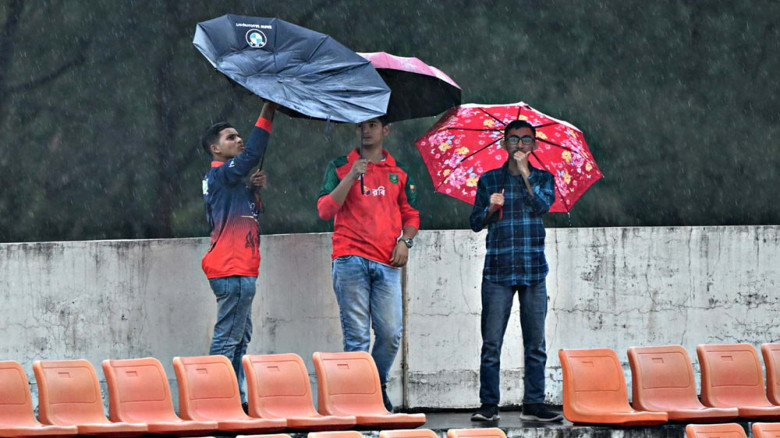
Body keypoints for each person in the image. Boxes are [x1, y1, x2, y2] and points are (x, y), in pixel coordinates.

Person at [316, 116, 419, 412]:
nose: (366, 131)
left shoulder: (398, 171)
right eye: (361, 126)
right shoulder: (339, 165)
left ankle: (376, 384)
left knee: (390, 333)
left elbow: (412, 215)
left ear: (386, 129)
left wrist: (405, 241)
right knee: (357, 335)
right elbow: (324, 209)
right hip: (349, 259)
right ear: (355, 130)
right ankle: (359, 400)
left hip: (387, 261)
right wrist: (350, 176)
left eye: (373, 125)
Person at [469, 120, 562, 422]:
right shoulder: (489, 180)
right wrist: (490, 210)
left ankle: (533, 402)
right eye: (513, 140)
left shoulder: (544, 178)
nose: (519, 145)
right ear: (503, 144)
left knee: (535, 343)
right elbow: (474, 223)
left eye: (525, 140)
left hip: (533, 268)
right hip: (498, 269)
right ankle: (488, 404)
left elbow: (542, 207)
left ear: (534, 146)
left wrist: (525, 176)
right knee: (491, 342)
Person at [200, 101, 278, 408]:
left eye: (238, 135)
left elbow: (248, 215)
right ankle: (215, 403)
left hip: (240, 269)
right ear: (215, 149)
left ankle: (236, 400)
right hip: (232, 269)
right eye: (230, 138)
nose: (239, 139)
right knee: (228, 340)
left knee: (240, 338)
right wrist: (268, 111)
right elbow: (250, 157)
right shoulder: (221, 174)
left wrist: (254, 192)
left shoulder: (230, 181)